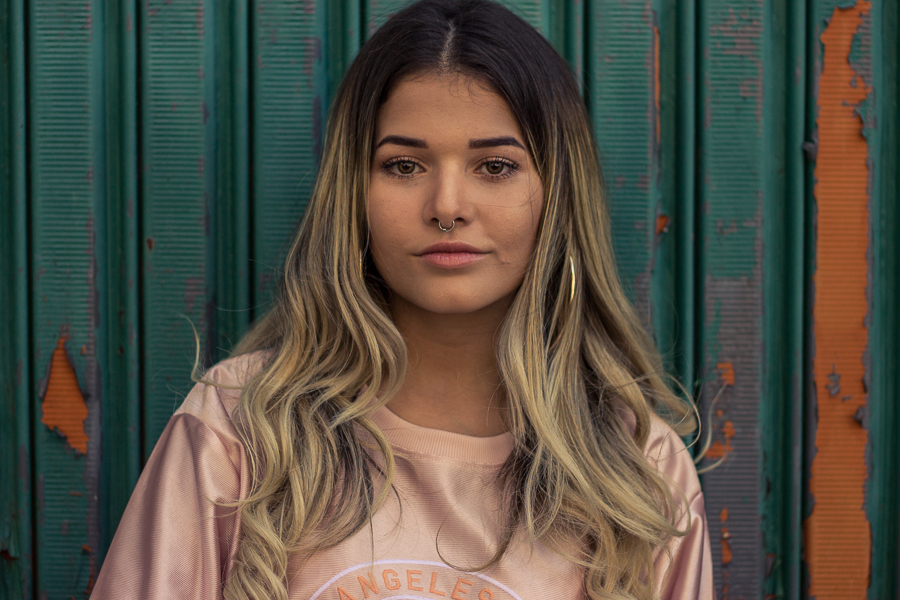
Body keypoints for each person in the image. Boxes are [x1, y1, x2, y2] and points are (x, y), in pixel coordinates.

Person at [91, 1, 713, 598]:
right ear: (354, 191)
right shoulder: (241, 433)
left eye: (494, 166)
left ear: (558, 195)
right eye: (404, 166)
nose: (447, 207)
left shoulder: (638, 471)